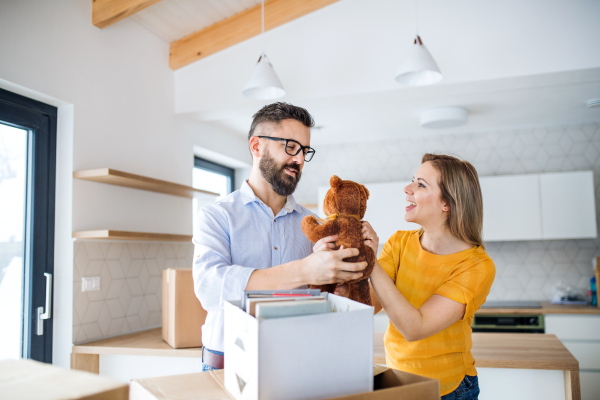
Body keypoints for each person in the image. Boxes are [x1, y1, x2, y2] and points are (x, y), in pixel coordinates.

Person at [192, 102, 367, 372]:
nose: (298, 159)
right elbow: (210, 288)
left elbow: (335, 301)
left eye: (304, 151)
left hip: (297, 363)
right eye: (290, 146)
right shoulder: (215, 216)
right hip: (228, 369)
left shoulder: (316, 226)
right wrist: (304, 270)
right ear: (256, 146)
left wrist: (364, 255)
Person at [358, 153, 495, 399]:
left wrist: (372, 262)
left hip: (449, 389)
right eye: (413, 180)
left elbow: (415, 328)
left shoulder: (476, 265)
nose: (407, 188)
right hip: (399, 380)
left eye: (420, 184)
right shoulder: (399, 243)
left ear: (448, 204)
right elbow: (368, 305)